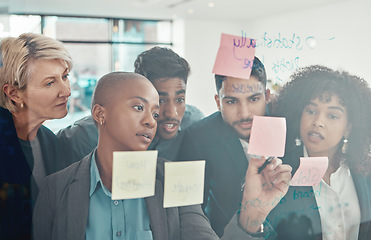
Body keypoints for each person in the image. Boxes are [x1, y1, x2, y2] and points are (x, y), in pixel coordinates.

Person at [32, 71, 290, 240]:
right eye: (138, 107)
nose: (151, 121)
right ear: (100, 114)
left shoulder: (175, 180)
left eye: (154, 114)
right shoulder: (54, 190)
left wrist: (251, 215)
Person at [241, 65, 371, 239]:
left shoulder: (364, 171)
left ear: (349, 127)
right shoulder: (275, 173)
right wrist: (252, 219)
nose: (318, 121)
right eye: (311, 111)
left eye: (332, 116)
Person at [177, 56, 276, 236]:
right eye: (231, 101)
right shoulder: (199, 137)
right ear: (218, 102)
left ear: (267, 97)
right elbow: (190, 211)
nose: (244, 113)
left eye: (254, 99)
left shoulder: (288, 124)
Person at [57, 46, 204, 162]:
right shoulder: (88, 135)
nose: (172, 113)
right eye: (160, 100)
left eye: (179, 100)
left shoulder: (193, 123)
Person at [0, 33, 74, 239]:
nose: (66, 91)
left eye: (65, 76)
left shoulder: (49, 140)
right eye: (50, 83)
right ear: (14, 93)